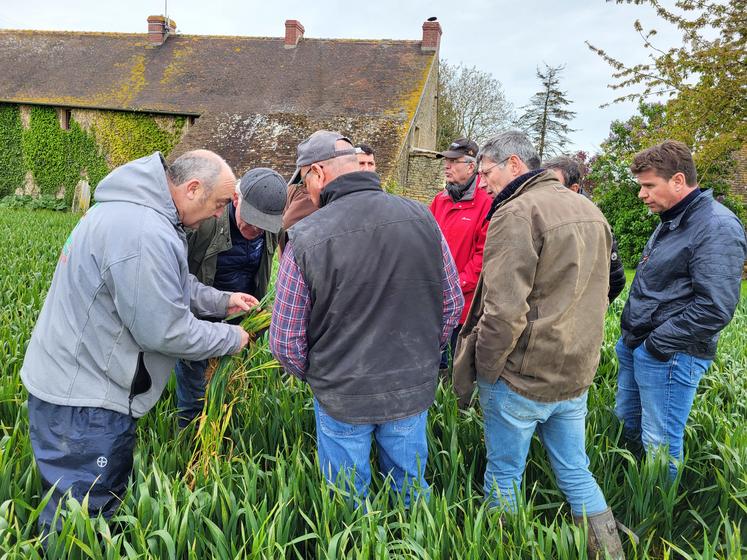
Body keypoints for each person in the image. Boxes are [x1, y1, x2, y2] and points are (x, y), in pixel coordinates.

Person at [21, 150, 256, 532]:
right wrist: (231, 337)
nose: (219, 215)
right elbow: (166, 330)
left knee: (83, 507)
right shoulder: (144, 232)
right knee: (82, 521)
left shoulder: (138, 213)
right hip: (85, 403)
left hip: (75, 386)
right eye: (218, 204)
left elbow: (173, 285)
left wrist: (223, 301)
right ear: (193, 188)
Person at [454, 131, 626, 559]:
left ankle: (503, 548)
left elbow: (503, 312)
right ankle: (609, 552)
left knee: (505, 475)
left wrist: (487, 371)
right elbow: (605, 291)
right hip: (574, 373)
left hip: (522, 375)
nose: (482, 183)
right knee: (574, 469)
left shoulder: (516, 213)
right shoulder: (590, 209)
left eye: (486, 172)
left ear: (514, 164)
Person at [270, 130, 463, 506]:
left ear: (318, 174)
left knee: (347, 501)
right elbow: (452, 305)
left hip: (341, 393)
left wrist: (321, 374)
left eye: (304, 181)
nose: (306, 192)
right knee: (410, 493)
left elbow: (284, 340)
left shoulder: (305, 238)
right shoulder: (422, 217)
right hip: (409, 385)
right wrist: (422, 356)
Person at [615, 140, 746, 480]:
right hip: (638, 344)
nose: (642, 195)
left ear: (677, 180)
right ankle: (629, 488)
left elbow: (715, 307)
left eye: (648, 186)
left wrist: (656, 346)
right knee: (627, 423)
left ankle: (659, 514)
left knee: (659, 441)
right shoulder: (673, 218)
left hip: (671, 354)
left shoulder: (716, 226)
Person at [175, 167, 286, 427]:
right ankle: (190, 442)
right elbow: (178, 278)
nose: (257, 229)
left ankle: (223, 437)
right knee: (195, 394)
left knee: (228, 387)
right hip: (201, 319)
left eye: (264, 225)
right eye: (251, 220)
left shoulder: (272, 229)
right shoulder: (203, 224)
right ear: (236, 199)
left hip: (242, 320)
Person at [429, 138, 492, 377]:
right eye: (446, 161)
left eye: (454, 161)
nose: (447, 166)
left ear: (471, 166)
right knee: (434, 366)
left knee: (459, 372)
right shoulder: (439, 201)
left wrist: (452, 287)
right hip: (434, 303)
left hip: (464, 309)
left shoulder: (486, 205)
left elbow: (483, 259)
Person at [544, 155, 626, 302]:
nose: (545, 192)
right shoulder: (543, 215)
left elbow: (616, 279)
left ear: (573, 189)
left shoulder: (595, 223)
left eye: (554, 185)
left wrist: (591, 311)